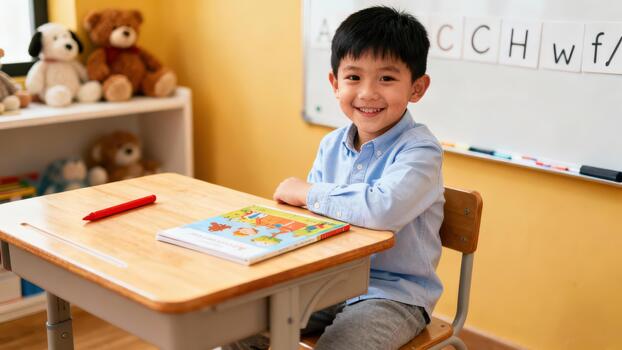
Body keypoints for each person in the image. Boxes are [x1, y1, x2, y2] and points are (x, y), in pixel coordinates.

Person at [225, 6, 444, 350]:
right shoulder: (331, 145)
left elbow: (382, 210)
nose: (368, 93)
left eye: (386, 78)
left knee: (342, 345)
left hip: (394, 294)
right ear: (334, 83)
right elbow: (310, 222)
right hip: (329, 282)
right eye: (354, 77)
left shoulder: (422, 151)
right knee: (237, 326)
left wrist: (309, 192)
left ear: (417, 88)